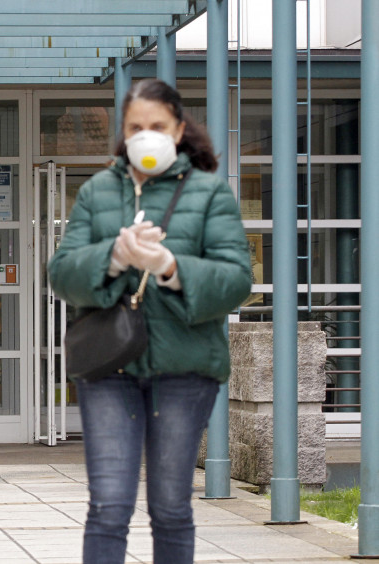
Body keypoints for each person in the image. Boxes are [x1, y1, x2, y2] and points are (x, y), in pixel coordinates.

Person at [47, 79, 252, 564]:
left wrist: (170, 266)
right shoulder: (98, 190)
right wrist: (114, 256)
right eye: (136, 127)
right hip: (108, 367)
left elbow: (236, 279)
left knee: (171, 506)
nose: (146, 136)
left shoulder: (208, 192)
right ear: (123, 131)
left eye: (157, 126)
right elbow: (60, 273)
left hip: (185, 369)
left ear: (179, 129)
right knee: (109, 506)